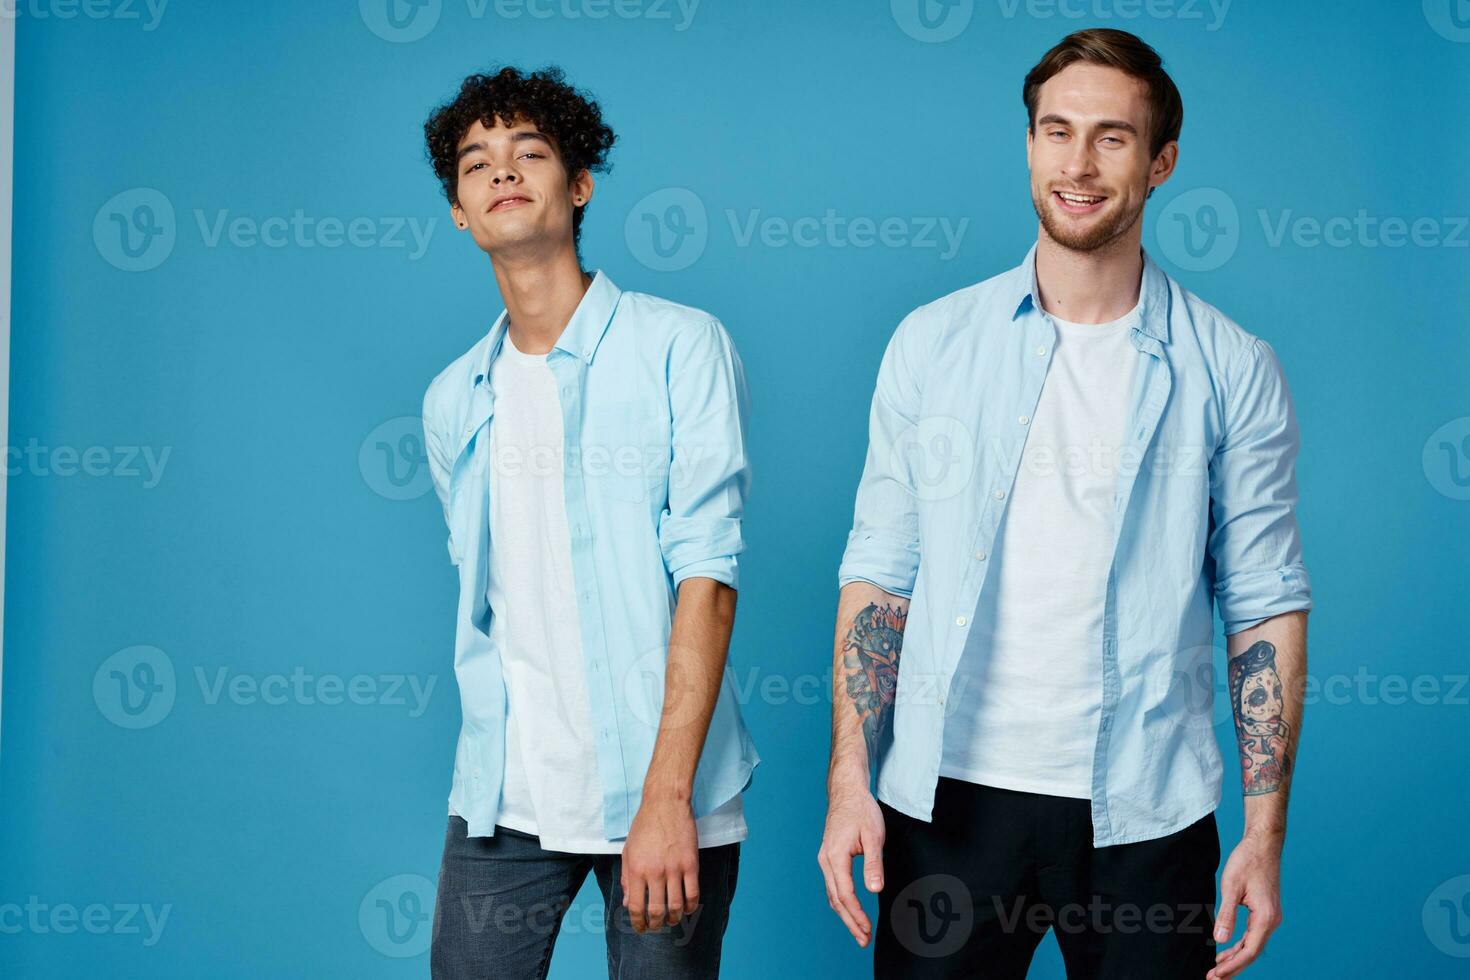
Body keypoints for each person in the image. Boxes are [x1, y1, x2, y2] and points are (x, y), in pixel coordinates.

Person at [817, 28, 1311, 980]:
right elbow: (882, 572)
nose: (1078, 164)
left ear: (1162, 162)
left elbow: (1263, 602)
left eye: (1113, 138)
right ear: (1031, 144)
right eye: (1057, 131)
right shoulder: (932, 344)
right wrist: (850, 779)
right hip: (948, 806)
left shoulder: (1232, 368)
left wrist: (1263, 833)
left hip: (1146, 817)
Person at [419, 65, 758, 980]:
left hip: (667, 792)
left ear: (578, 185)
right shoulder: (455, 400)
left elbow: (708, 578)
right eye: (475, 162)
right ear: (459, 209)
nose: (502, 172)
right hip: (508, 795)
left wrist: (666, 798)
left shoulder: (678, 346)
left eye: (529, 151)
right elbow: (491, 597)